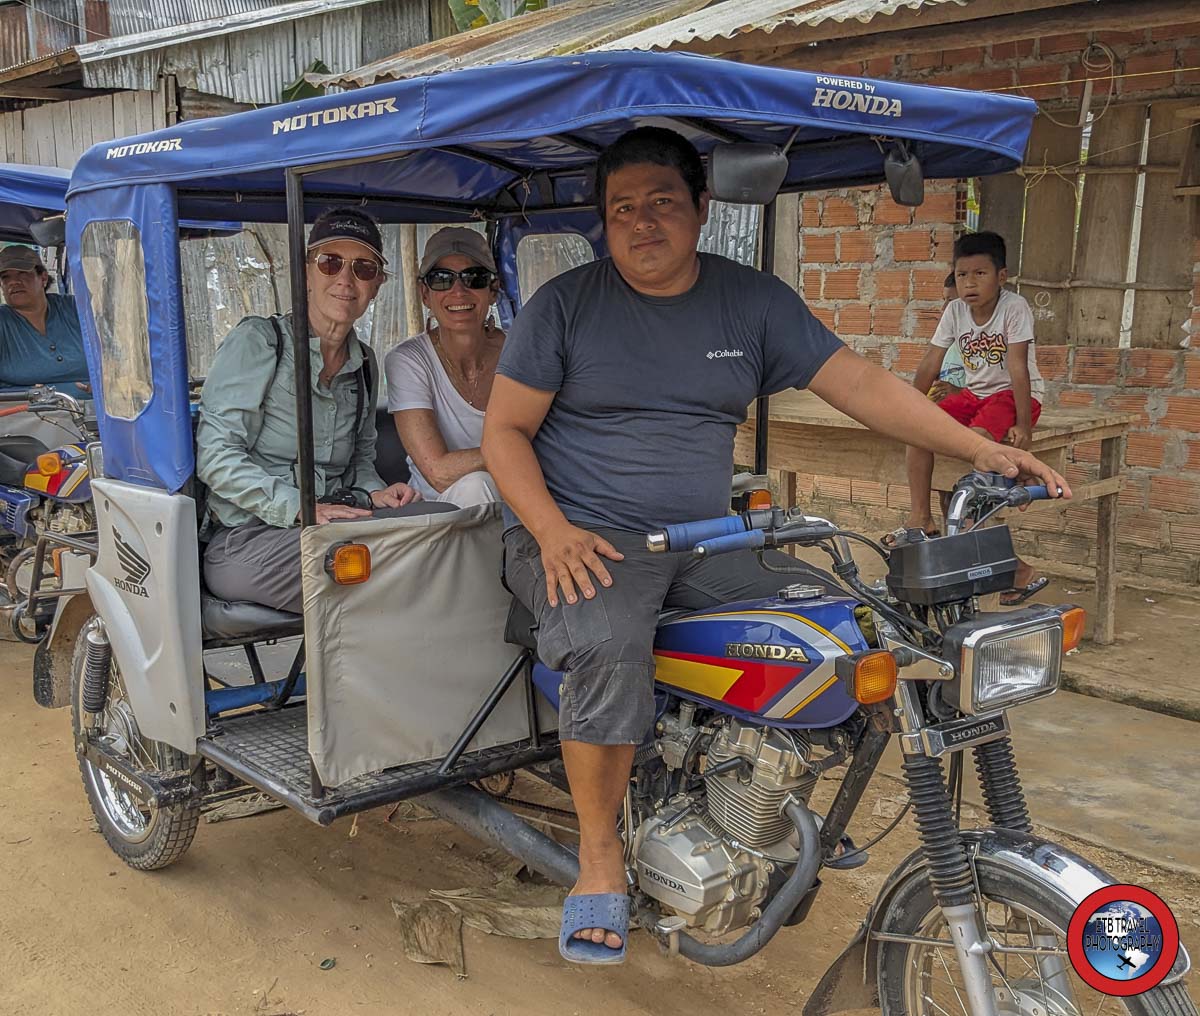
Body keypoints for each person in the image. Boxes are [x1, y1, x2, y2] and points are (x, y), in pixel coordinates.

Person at [482, 127, 1069, 964]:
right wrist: (551, 531)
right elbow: (503, 432)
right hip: (579, 532)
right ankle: (601, 858)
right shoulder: (566, 305)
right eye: (622, 210)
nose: (642, 224)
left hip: (704, 535)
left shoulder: (749, 301)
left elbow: (860, 385)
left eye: (661, 203)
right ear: (602, 222)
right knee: (609, 645)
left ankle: (753, 795)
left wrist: (981, 449)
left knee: (848, 627)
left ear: (701, 209)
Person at [196, 208, 421, 614]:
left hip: (335, 525)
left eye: (363, 268)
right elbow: (216, 457)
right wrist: (300, 507)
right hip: (248, 538)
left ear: (378, 285)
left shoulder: (366, 363)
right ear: (305, 272)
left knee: (444, 529)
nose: (345, 280)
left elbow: (360, 459)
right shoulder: (260, 343)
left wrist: (376, 490)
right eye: (330, 262)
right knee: (387, 568)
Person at [903, 232, 1048, 604]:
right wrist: (907, 407)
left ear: (1001, 276)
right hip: (973, 393)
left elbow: (1018, 370)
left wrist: (1024, 427)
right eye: (963, 274)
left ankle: (1005, 560)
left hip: (1012, 397)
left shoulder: (1014, 308)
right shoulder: (955, 311)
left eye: (980, 274)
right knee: (918, 431)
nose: (970, 283)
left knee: (977, 442)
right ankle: (920, 518)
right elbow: (931, 362)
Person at [384, 228, 503, 507]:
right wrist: (519, 449)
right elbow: (438, 472)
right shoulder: (409, 360)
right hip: (439, 511)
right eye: (442, 280)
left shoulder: (522, 351)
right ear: (424, 294)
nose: (458, 291)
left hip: (519, 496)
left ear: (493, 290)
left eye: (474, 278)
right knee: (478, 486)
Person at [0, 245, 88, 389]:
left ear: (43, 278)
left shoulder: (74, 308)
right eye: (5, 277)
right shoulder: (3, 321)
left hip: (92, 406)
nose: (13, 282)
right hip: (20, 409)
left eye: (22, 273)